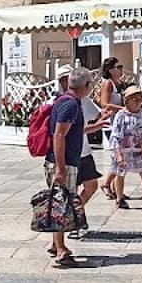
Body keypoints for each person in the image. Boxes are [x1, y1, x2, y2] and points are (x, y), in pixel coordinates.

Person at [46, 68, 92, 267]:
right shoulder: (70, 104)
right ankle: (62, 250)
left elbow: (73, 131)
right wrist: (61, 168)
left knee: (61, 203)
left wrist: (97, 126)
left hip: (65, 161)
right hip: (63, 162)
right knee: (62, 205)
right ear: (86, 87)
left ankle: (57, 244)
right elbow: (58, 135)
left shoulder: (66, 101)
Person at [109, 84, 142, 212]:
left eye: (140, 99)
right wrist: (118, 155)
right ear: (127, 100)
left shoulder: (141, 114)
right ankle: (119, 198)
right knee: (120, 174)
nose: (139, 102)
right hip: (124, 149)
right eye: (135, 99)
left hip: (140, 148)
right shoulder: (121, 115)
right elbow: (116, 136)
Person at [99, 57, 125, 199]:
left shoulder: (119, 83)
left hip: (119, 124)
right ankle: (107, 183)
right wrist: (123, 109)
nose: (120, 69)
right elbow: (104, 103)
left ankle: (116, 189)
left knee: (120, 156)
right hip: (111, 124)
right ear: (110, 70)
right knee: (117, 157)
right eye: (117, 67)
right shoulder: (108, 84)